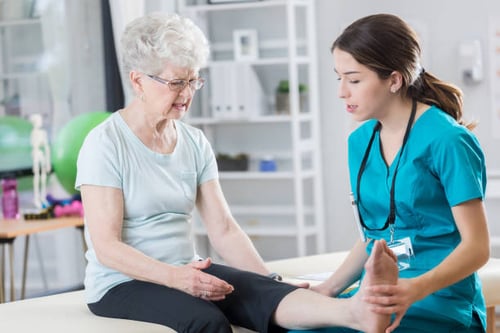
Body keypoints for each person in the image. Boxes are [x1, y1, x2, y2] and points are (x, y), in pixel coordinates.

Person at [75, 12, 399, 333]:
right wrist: (177, 278)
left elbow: (225, 230)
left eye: (193, 81)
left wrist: (268, 283)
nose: (187, 94)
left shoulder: (193, 141)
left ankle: (354, 314)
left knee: (272, 299)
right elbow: (106, 247)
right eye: (176, 83)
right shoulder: (105, 144)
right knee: (206, 320)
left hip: (187, 269)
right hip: (121, 283)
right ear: (137, 80)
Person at [290, 13, 490, 333]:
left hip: (440, 300)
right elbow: (374, 234)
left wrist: (414, 289)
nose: (342, 91)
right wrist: (328, 290)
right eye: (338, 78)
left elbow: (477, 248)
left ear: (394, 80)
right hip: (379, 294)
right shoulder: (360, 141)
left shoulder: (448, 140)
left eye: (354, 80)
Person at [30, 113, 51, 209]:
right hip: (36, 155)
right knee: (37, 177)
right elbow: (33, 146)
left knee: (43, 177)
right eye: (38, 120)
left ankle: (43, 197)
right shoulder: (33, 133)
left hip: (41, 156)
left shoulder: (43, 133)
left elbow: (46, 147)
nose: (40, 122)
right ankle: (36, 198)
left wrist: (48, 162)